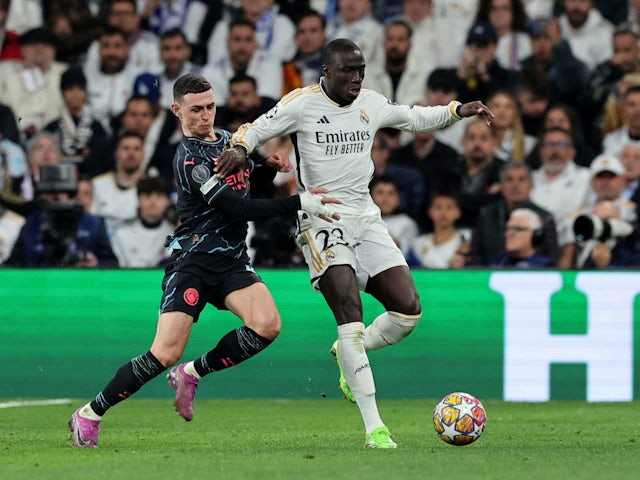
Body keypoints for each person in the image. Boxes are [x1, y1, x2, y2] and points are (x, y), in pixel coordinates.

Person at [218, 38, 494, 449]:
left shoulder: (371, 102)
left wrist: (458, 110)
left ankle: (348, 353)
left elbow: (415, 118)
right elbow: (255, 129)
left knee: (408, 312)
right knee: (350, 310)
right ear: (327, 72)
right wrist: (240, 148)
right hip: (319, 218)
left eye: (361, 69)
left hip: (365, 217)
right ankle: (375, 429)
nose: (357, 77)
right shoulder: (301, 103)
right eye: (349, 70)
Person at [69, 72, 341, 448]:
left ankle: (193, 372)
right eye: (196, 109)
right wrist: (298, 202)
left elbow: (244, 186)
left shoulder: (230, 141)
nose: (205, 116)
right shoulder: (188, 158)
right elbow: (235, 207)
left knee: (267, 325)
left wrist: (267, 170)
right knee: (163, 353)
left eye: (211, 107)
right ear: (176, 111)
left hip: (230, 260)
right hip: (194, 261)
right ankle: (89, 413)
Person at [469, 161, 558, 266]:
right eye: (509, 179)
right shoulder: (487, 214)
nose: (515, 185)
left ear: (531, 186)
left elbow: (551, 255)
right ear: (501, 186)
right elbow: (475, 253)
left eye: (521, 179)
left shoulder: (545, 217)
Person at [406, 191, 468, 269]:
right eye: (438, 207)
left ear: (458, 212)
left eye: (449, 208)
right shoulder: (418, 244)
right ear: (430, 212)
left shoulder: (464, 242)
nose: (443, 212)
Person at [489, 207, 554, 267]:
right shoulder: (497, 263)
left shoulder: (545, 266)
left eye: (517, 229)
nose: (509, 233)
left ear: (535, 235)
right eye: (508, 228)